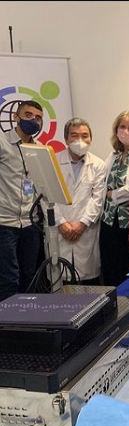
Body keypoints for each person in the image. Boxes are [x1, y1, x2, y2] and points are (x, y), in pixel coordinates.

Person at [0, 100, 44, 300]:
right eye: (28, 115)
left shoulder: (40, 149)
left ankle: (28, 316)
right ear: (15, 117)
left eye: (38, 118)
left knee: (29, 275)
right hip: (5, 223)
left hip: (30, 223)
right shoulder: (2, 142)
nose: (33, 120)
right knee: (8, 279)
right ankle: (8, 319)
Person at [55, 118, 107, 284]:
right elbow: (48, 196)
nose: (80, 140)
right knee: (60, 281)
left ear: (91, 139)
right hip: (59, 230)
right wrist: (60, 222)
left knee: (87, 283)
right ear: (66, 139)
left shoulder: (98, 165)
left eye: (85, 136)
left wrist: (82, 224)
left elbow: (97, 199)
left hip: (85, 231)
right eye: (74, 135)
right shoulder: (53, 161)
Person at [100, 111, 129, 286]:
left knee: (128, 271)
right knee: (109, 269)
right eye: (122, 127)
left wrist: (111, 194)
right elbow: (101, 183)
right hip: (108, 222)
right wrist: (107, 193)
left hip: (128, 224)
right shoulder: (113, 156)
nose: (126, 131)